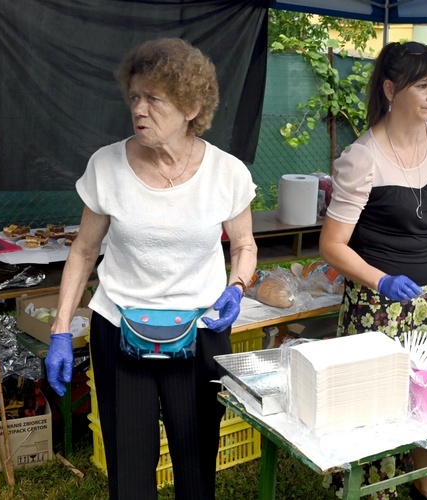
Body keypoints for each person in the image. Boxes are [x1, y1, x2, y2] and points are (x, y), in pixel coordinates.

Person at [44, 38, 258, 499]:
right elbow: (83, 251)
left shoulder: (228, 173)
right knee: (130, 472)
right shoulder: (106, 165)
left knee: (197, 460)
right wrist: (62, 328)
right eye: (135, 96)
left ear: (191, 106)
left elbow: (244, 245)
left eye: (154, 99)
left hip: (199, 329)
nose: (139, 108)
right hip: (120, 327)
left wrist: (236, 288)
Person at [319, 41, 427, 500]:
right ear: (391, 89)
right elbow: (331, 245)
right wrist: (381, 280)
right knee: (377, 404)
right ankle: (372, 490)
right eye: (423, 86)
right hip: (376, 304)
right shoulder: (362, 157)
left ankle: (425, 484)